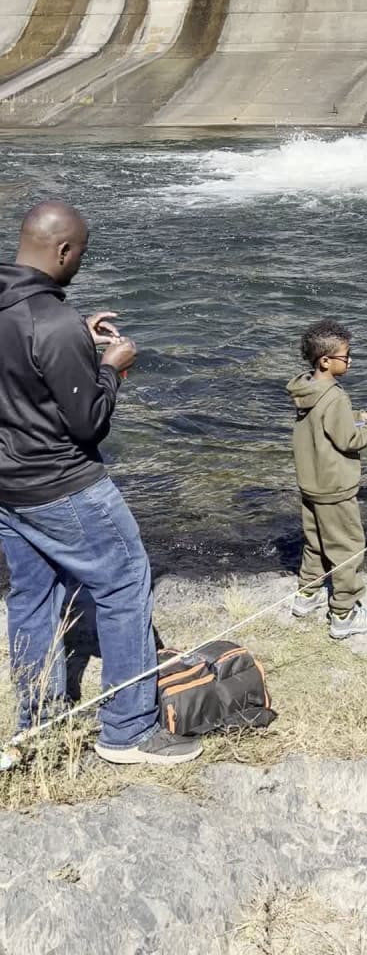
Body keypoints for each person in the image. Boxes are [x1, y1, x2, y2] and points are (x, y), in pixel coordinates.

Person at [0, 201, 201, 766]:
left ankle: (37, 723)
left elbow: (23, 366)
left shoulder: (22, 311)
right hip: (64, 484)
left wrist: (76, 340)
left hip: (9, 488)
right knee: (124, 584)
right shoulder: (53, 322)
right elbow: (87, 420)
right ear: (63, 251)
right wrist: (112, 365)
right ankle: (129, 730)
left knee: (33, 600)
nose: (79, 265)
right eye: (79, 256)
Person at [286, 318, 367, 640]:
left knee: (316, 542)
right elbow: (349, 440)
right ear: (326, 360)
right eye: (346, 356)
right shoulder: (335, 396)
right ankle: (344, 614)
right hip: (335, 488)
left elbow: (331, 424)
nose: (350, 361)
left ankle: (307, 596)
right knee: (348, 547)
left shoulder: (308, 389)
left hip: (311, 485)